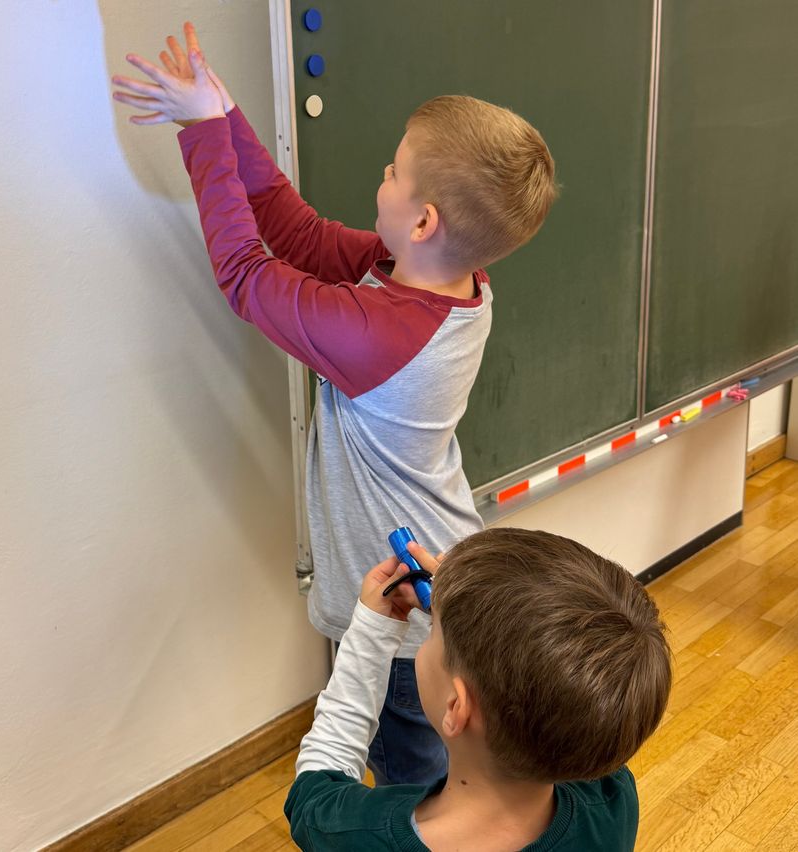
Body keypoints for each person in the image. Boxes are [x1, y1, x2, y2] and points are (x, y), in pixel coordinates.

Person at [110, 23, 558, 786]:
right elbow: (298, 231)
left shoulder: (378, 336)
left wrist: (204, 135)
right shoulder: (438, 282)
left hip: (403, 620)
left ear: (422, 222)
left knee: (414, 791)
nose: (380, 175)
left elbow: (248, 275)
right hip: (431, 586)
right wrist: (222, 115)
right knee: (442, 775)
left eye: (393, 171)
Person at [285, 528, 672, 851]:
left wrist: (372, 632)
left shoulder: (362, 835)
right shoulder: (610, 799)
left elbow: (314, 789)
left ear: (456, 706)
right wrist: (463, 606)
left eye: (432, 631)